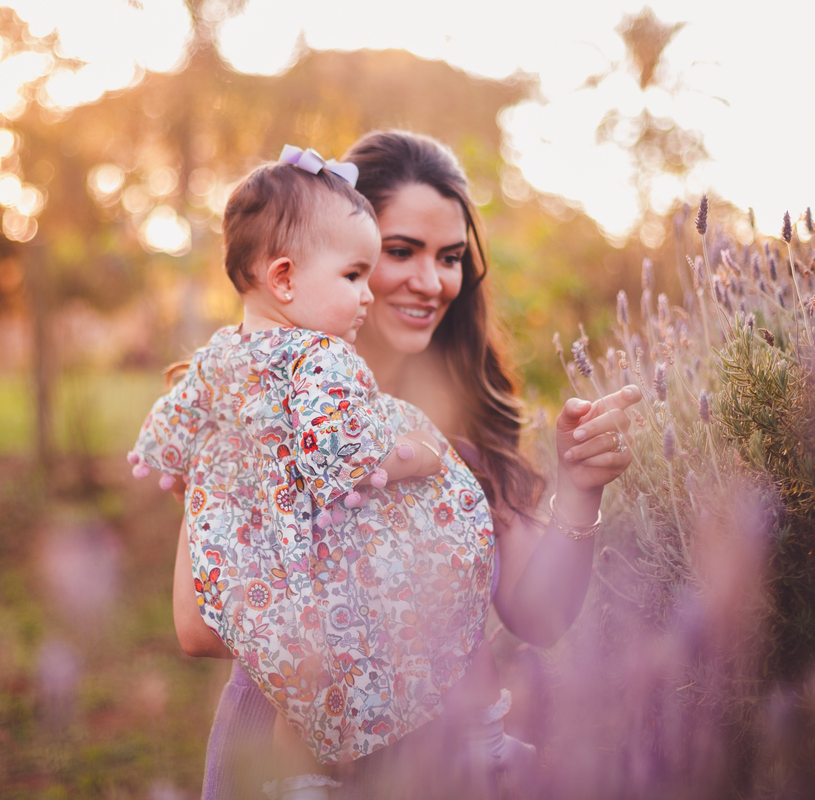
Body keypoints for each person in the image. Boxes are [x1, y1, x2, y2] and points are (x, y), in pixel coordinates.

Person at [175, 131, 641, 799]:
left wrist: (580, 491)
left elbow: (537, 618)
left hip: (456, 765)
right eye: (401, 252)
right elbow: (196, 623)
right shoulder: (259, 408)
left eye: (450, 258)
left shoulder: (466, 428)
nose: (431, 282)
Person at [132, 146, 530, 796]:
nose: (370, 292)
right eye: (361, 271)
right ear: (286, 279)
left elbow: (181, 409)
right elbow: (342, 458)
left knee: (315, 716)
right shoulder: (323, 361)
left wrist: (162, 454)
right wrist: (412, 457)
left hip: (320, 650)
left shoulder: (226, 359)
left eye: (450, 257)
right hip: (308, 658)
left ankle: (312, 777)